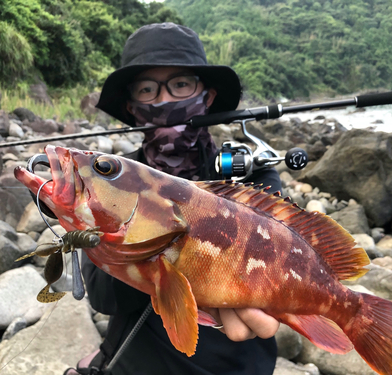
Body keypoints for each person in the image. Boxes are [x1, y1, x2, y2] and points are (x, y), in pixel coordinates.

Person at [65, 22, 282, 375]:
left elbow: (280, 264)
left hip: (237, 361)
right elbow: (101, 296)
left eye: (180, 85)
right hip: (136, 358)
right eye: (148, 90)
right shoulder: (111, 179)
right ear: (132, 107)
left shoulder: (251, 177)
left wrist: (157, 242)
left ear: (207, 98)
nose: (164, 100)